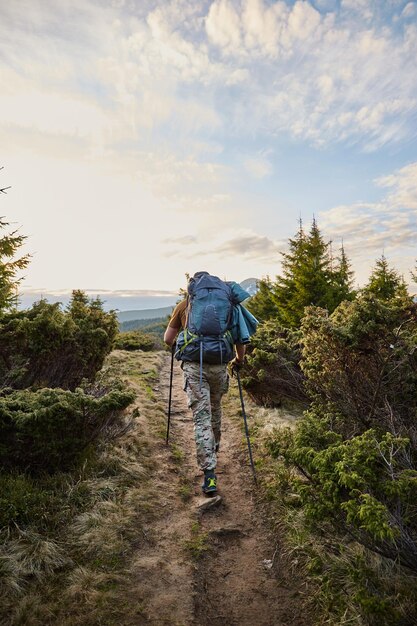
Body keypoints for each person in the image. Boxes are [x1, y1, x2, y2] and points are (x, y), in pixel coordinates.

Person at [163, 271, 255, 496]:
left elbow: (167, 339)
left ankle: (209, 473)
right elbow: (240, 339)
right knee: (215, 411)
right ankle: (213, 449)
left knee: (201, 417)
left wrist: (182, 343)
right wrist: (239, 361)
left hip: (195, 367)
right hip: (219, 366)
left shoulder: (185, 306)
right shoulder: (229, 306)